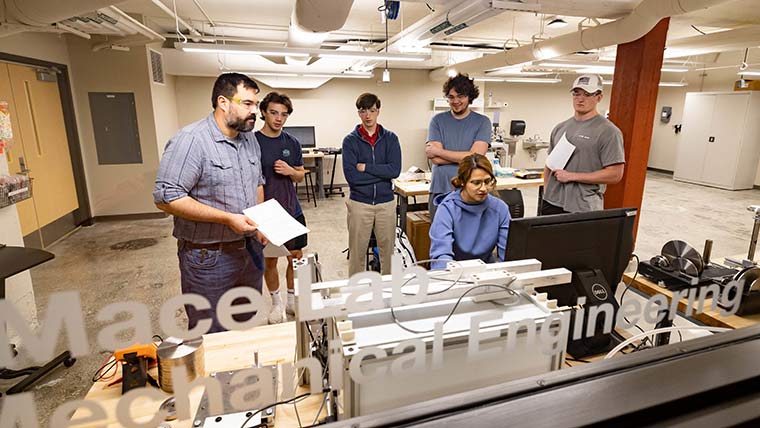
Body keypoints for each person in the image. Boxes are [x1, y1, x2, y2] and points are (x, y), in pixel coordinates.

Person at [154, 73, 266, 334]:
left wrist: (260, 222)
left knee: (245, 324)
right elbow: (166, 197)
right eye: (247, 104)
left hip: (250, 251)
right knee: (212, 332)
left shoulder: (249, 138)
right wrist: (227, 218)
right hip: (210, 258)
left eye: (256, 105)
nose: (255, 112)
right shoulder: (191, 140)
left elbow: (257, 182)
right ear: (223, 102)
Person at [255, 92, 307, 323]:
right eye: (274, 113)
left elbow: (300, 176)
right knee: (270, 261)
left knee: (296, 257)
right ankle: (276, 304)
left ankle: (292, 301)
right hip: (266, 212)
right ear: (264, 112)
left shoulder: (292, 142)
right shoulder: (252, 142)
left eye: (284, 115)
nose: (279, 118)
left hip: (291, 209)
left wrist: (291, 171)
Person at [542, 74, 625, 214]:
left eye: (587, 94)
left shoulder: (609, 132)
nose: (580, 99)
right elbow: (549, 165)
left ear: (598, 97)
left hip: (583, 206)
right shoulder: (560, 128)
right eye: (576, 94)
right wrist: (546, 192)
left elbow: (615, 174)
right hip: (552, 203)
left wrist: (572, 176)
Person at [342, 93, 402, 276]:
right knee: (357, 253)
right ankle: (357, 293)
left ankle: (388, 292)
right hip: (360, 204)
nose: (368, 115)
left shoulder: (391, 138)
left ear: (378, 111)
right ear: (359, 113)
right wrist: (382, 174)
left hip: (386, 203)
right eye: (363, 111)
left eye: (372, 110)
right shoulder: (350, 141)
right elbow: (352, 177)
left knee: (388, 254)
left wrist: (366, 167)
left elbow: (395, 170)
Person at [425, 73, 492, 219]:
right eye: (451, 97)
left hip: (471, 191)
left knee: (469, 237)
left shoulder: (482, 122)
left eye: (460, 96)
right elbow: (435, 159)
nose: (455, 101)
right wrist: (467, 157)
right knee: (440, 237)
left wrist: (439, 151)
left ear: (469, 97)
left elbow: (478, 157)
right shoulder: (437, 121)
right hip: (440, 189)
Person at [429, 153, 511, 270]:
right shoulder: (447, 209)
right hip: (454, 273)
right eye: (476, 183)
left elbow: (507, 256)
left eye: (487, 181)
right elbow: (441, 257)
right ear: (462, 182)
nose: (483, 188)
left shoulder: (500, 209)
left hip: (486, 273)